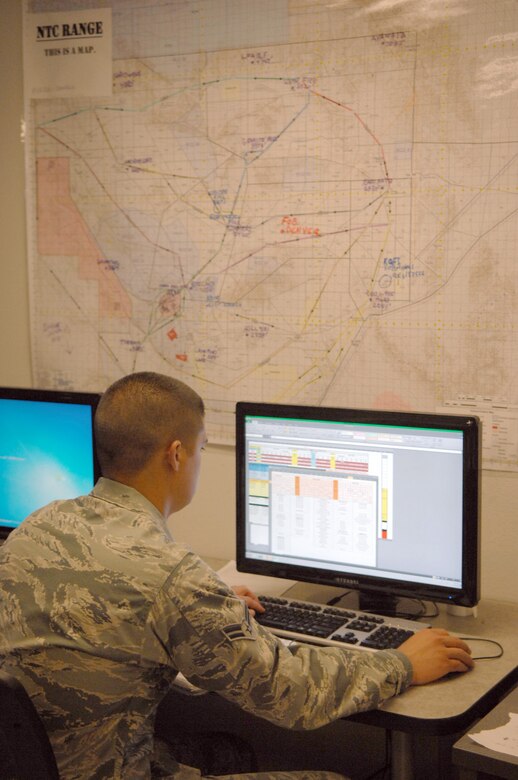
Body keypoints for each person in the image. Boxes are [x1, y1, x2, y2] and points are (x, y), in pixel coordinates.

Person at [0, 372, 474, 780]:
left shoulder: (38, 525)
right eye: (204, 448)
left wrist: (209, 602)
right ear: (177, 454)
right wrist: (403, 663)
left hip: (36, 765)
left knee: (232, 750)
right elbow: (290, 694)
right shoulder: (173, 578)